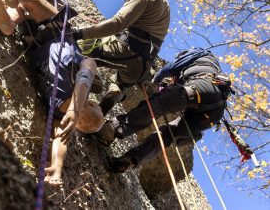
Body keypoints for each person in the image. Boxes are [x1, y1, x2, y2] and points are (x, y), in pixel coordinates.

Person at [0, 0, 104, 185]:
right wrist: (57, 168)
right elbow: (60, 141)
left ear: (90, 106)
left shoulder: (74, 98)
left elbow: (89, 65)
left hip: (54, 31)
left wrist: (74, 109)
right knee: (22, 4)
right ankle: (10, 18)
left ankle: (12, 11)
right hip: (37, 44)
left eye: (95, 105)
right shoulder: (64, 113)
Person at [98, 48, 233, 173]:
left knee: (157, 104)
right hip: (214, 113)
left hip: (201, 88)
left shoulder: (201, 53)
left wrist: (156, 80)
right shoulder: (211, 68)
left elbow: (170, 68)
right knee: (167, 135)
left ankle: (112, 129)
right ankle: (129, 160)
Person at [71, 0, 170, 116]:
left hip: (129, 51)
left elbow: (117, 24)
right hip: (141, 67)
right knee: (118, 83)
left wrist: (78, 33)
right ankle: (99, 115)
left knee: (79, 46)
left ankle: (87, 75)